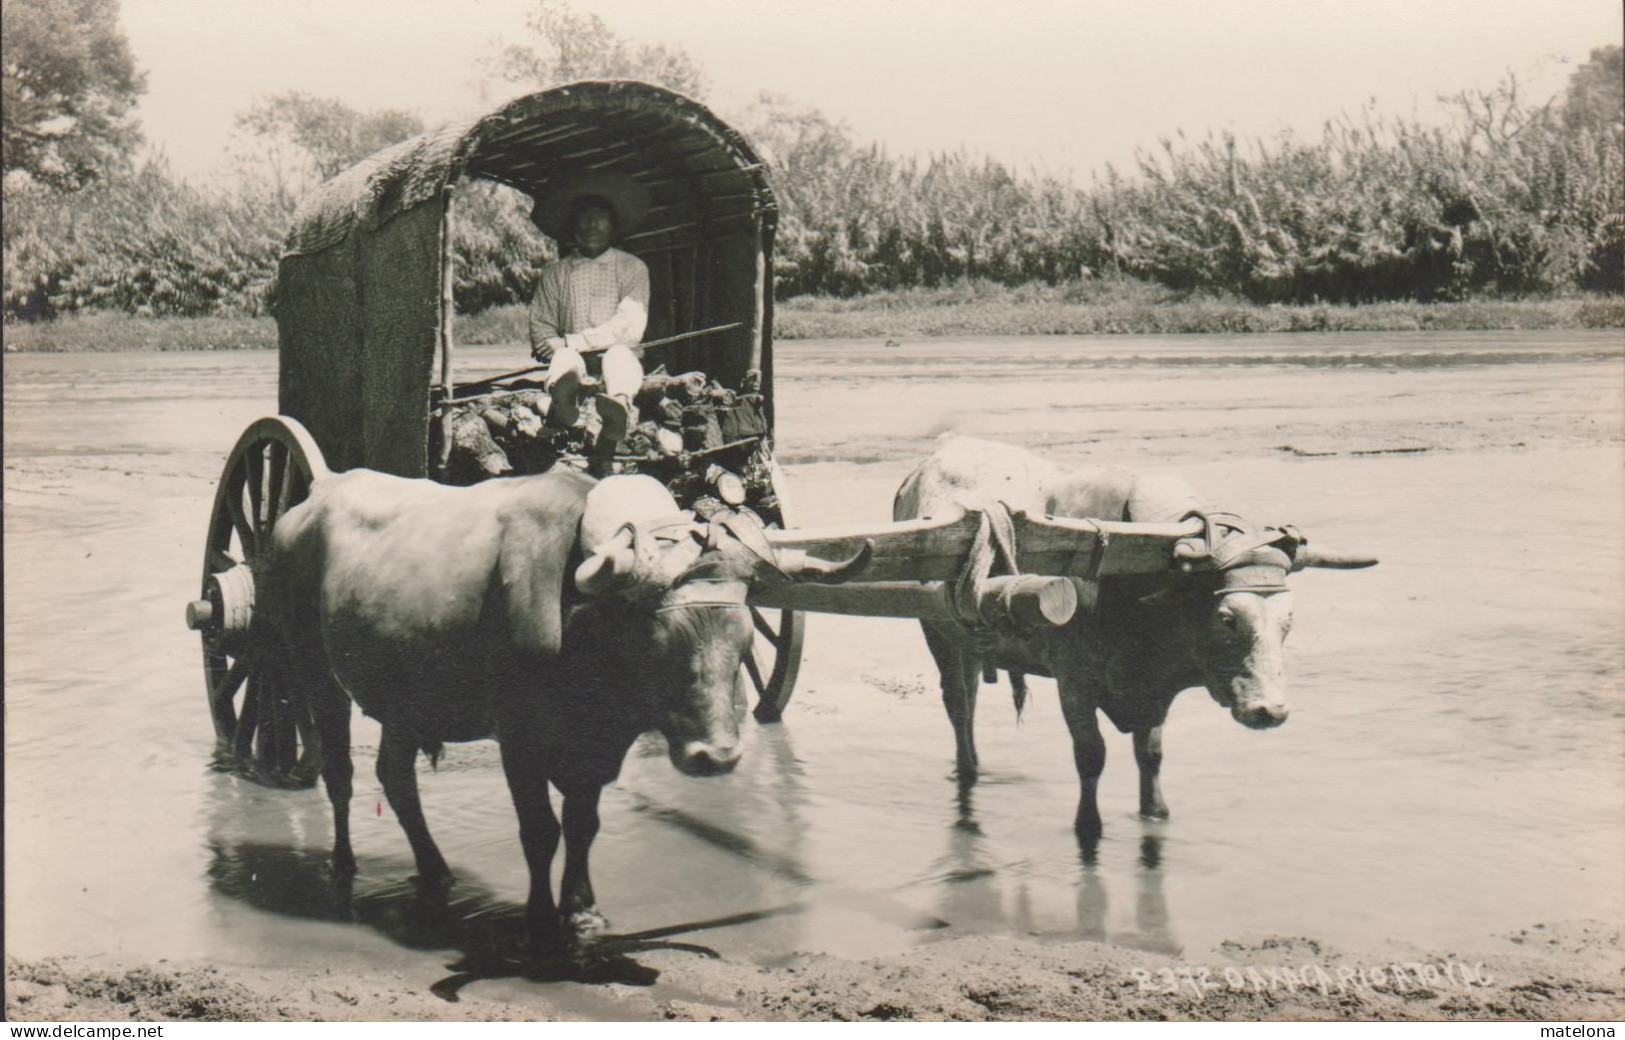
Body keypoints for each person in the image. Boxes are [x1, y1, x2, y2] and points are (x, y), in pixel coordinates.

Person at [528, 172, 653, 471]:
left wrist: (573, 340)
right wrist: (554, 345)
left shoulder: (632, 268)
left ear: (613, 226)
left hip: (617, 353)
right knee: (564, 360)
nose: (591, 225)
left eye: (599, 218)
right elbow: (541, 324)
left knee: (619, 357)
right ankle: (563, 400)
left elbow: (629, 327)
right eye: (584, 219)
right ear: (573, 228)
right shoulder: (556, 273)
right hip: (574, 356)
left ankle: (618, 407)